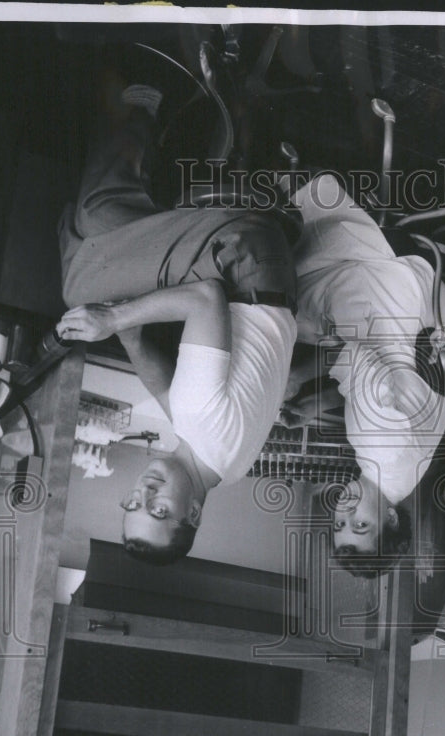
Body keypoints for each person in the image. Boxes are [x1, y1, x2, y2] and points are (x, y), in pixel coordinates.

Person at [57, 78, 297, 564]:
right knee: (82, 273)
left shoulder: (221, 465)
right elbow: (205, 299)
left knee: (105, 246)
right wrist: (111, 315)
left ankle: (133, 173)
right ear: (191, 517)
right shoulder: (204, 428)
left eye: (133, 506)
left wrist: (126, 331)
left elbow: (169, 394)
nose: (144, 495)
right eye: (158, 510)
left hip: (269, 271)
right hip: (242, 252)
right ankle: (142, 104)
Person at [281, 173, 445, 577]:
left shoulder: (397, 473)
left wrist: (316, 403)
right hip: (390, 278)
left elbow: (376, 387)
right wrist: (298, 379)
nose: (346, 510)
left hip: (425, 305)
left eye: (340, 523)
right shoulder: (383, 452)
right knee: (277, 306)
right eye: (361, 524)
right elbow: (350, 350)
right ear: (390, 520)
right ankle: (292, 184)